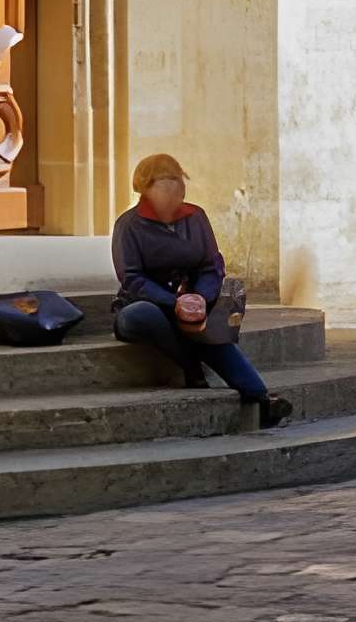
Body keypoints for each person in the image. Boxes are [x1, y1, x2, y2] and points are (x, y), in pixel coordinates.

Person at [111, 152, 293, 430]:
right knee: (144, 316)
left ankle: (260, 397)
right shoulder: (129, 225)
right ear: (146, 188)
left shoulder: (195, 218)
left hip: (194, 302)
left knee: (212, 329)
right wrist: (174, 302)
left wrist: (201, 297)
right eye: (165, 183)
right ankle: (190, 365)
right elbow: (132, 278)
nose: (174, 190)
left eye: (177, 181)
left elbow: (211, 265)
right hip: (147, 304)